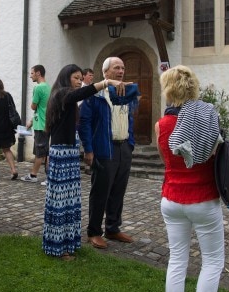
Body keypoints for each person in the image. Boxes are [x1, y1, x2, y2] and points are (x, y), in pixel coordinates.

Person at [156, 65, 228, 292]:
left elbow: (167, 159)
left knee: (177, 259)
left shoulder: (162, 124)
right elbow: (215, 154)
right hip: (202, 199)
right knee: (212, 262)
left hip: (172, 198)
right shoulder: (207, 118)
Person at [42, 65, 125, 261]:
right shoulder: (62, 94)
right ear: (66, 78)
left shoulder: (65, 97)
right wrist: (106, 83)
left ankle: (68, 243)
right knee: (61, 202)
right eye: (76, 78)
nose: (80, 81)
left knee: (70, 201)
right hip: (62, 155)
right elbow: (83, 92)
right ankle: (58, 247)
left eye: (81, 78)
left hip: (69, 153)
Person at [79, 57, 140, 249]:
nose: (121, 71)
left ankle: (113, 228)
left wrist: (130, 143)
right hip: (104, 148)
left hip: (123, 147)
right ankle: (94, 232)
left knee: (118, 190)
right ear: (106, 73)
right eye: (116, 68)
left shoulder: (126, 93)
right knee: (100, 191)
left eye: (123, 67)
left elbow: (129, 117)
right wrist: (88, 149)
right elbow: (84, 123)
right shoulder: (95, 95)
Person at [21, 65, 50, 183]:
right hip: (44, 123)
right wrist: (31, 122)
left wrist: (34, 121)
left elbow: (33, 106)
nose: (30, 76)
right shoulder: (48, 86)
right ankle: (40, 175)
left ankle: (35, 176)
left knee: (41, 152)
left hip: (40, 125)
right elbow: (42, 109)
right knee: (44, 151)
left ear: (38, 73)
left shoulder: (38, 88)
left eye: (32, 73)